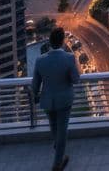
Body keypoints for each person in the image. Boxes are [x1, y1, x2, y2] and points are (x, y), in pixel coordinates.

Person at [32, 26, 81, 171]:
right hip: (64, 100)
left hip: (47, 100)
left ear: (49, 42)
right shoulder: (69, 58)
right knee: (62, 131)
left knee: (54, 128)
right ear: (62, 41)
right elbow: (76, 79)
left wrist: (34, 95)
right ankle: (57, 164)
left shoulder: (40, 60)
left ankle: (58, 149)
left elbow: (35, 85)